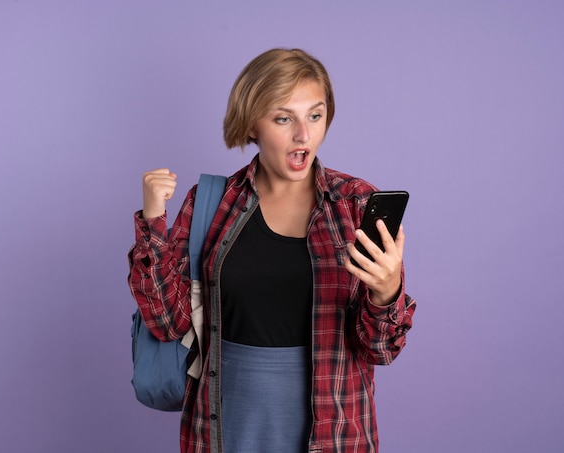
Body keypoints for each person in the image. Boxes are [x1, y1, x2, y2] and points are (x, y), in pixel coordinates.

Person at [128, 48, 416, 453]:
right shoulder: (212, 202)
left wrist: (386, 293)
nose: (304, 134)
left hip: (333, 433)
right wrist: (153, 219)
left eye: (315, 116)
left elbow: (380, 349)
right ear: (251, 125)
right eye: (284, 118)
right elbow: (165, 323)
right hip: (226, 427)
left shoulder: (355, 204)